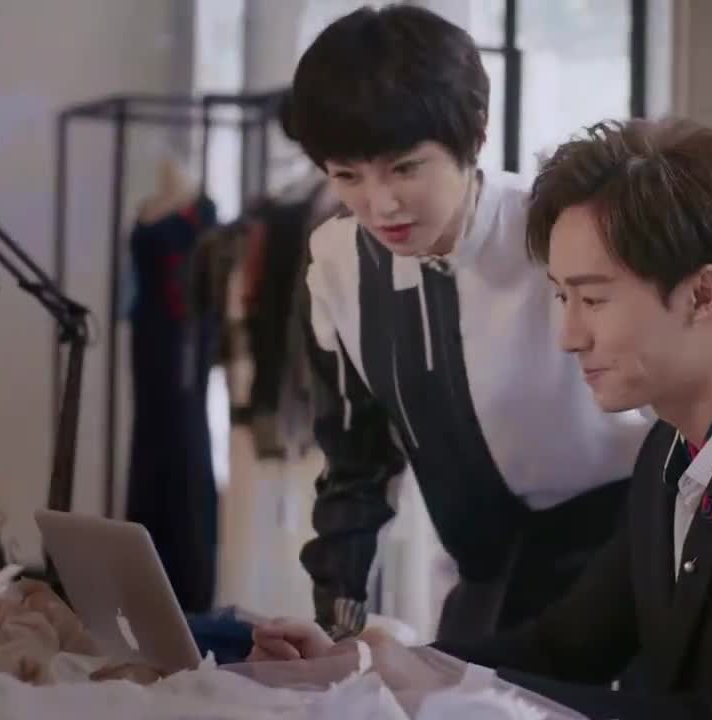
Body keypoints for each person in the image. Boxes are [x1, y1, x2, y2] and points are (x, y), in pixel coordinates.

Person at [252, 117, 712, 719]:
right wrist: (370, 668)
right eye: (560, 297)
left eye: (594, 299)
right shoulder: (670, 448)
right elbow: (562, 648)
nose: (569, 336)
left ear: (703, 294)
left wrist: (436, 688)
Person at [282, 5, 654, 644]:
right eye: (347, 176)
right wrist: (334, 623)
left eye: (405, 167)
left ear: (476, 135)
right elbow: (356, 465)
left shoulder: (559, 232)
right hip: (484, 575)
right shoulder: (338, 267)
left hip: (619, 555)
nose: (380, 204)